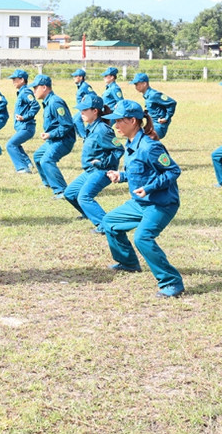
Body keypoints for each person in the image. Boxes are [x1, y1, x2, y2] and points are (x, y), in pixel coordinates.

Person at [100, 100, 184, 298]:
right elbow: (139, 173)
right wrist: (121, 176)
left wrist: (149, 188)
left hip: (161, 203)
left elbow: (173, 171)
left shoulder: (150, 147)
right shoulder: (131, 144)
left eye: (119, 121)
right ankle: (128, 262)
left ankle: (172, 282)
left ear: (133, 120)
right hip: (141, 203)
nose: (116, 126)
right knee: (109, 222)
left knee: (143, 238)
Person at [64, 95, 124, 233]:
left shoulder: (102, 130)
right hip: (90, 171)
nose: (81, 113)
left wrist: (103, 163)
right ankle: (88, 213)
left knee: (84, 197)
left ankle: (105, 225)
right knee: (69, 193)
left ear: (95, 111)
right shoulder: (91, 127)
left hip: (102, 171)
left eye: (85, 110)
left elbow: (119, 149)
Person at [29, 74, 76, 198]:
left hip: (63, 140)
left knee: (47, 160)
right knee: (38, 156)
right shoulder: (48, 102)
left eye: (35, 88)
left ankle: (61, 191)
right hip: (54, 139)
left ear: (44, 87)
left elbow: (67, 125)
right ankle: (48, 183)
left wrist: (50, 134)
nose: (34, 91)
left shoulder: (55, 102)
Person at [5, 69, 41, 173]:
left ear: (22, 80)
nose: (13, 82)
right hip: (22, 127)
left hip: (26, 127)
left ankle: (22, 168)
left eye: (14, 79)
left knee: (10, 145)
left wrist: (24, 117)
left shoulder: (25, 92)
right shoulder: (21, 92)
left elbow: (36, 106)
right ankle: (28, 164)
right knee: (16, 144)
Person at [129, 72, 176, 139]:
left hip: (158, 126)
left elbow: (172, 103)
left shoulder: (154, 94)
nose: (135, 87)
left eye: (137, 84)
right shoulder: (147, 95)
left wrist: (166, 118)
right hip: (151, 124)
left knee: (144, 141)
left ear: (144, 84)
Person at [71, 68, 97, 138]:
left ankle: (85, 137)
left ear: (81, 77)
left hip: (87, 108)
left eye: (75, 76)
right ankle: (81, 135)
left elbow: (94, 95)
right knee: (74, 119)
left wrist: (86, 99)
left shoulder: (85, 86)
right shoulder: (80, 86)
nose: (74, 78)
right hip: (82, 109)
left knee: (77, 119)